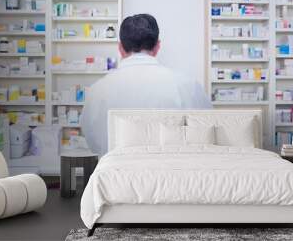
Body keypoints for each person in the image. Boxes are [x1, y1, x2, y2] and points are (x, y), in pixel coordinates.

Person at [82, 14, 212, 156]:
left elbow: (92, 141)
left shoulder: (98, 90)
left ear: (120, 48)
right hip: (172, 174)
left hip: (116, 174)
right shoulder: (187, 86)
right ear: (157, 47)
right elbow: (205, 132)